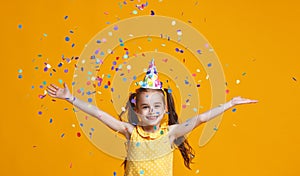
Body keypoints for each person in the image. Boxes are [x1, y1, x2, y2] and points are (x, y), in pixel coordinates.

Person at [46, 59, 258, 176]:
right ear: (136, 110)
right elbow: (99, 114)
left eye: (157, 106)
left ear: (165, 108)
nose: (152, 111)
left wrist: (230, 104)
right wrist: (71, 98)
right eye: (145, 107)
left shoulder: (171, 133)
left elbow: (201, 118)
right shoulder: (130, 131)